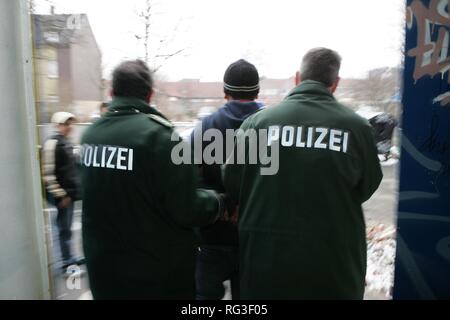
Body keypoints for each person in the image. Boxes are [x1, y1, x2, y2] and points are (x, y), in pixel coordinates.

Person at [223, 48, 383, 299]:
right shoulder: (357, 128)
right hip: (333, 265)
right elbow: (368, 185)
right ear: (335, 84)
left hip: (267, 262)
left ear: (297, 78)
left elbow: (233, 181)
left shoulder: (258, 124)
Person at [80, 59, 228, 299]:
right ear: (149, 94)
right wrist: (217, 201)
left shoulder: (90, 136)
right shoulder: (160, 138)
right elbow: (187, 208)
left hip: (104, 274)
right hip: (153, 278)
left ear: (111, 92)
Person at [190, 59, 264, 300]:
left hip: (212, 235)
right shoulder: (272, 127)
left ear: (225, 92)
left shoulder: (206, 127)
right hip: (256, 237)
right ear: (257, 91)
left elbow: (187, 181)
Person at [42, 112, 83, 272]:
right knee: (62, 228)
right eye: (65, 124)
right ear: (57, 125)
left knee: (67, 228)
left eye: (70, 124)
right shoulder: (52, 143)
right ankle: (66, 262)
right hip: (62, 196)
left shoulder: (66, 142)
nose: (69, 127)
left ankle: (70, 257)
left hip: (69, 195)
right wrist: (61, 194)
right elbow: (48, 174)